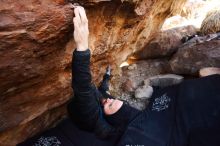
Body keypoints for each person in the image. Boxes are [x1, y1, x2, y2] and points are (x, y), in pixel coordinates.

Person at [68, 5, 220, 146]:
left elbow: (99, 91)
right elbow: (84, 92)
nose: (107, 101)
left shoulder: (120, 107)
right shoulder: (113, 131)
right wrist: (82, 47)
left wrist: (107, 76)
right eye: (106, 105)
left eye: (106, 101)